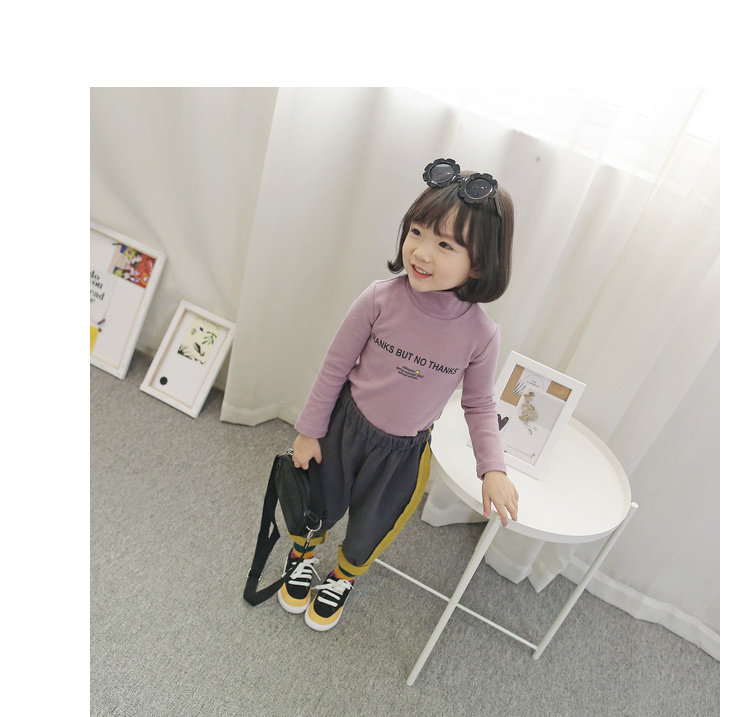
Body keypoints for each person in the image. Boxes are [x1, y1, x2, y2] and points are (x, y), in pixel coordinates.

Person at [278, 158, 519, 631]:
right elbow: (335, 367)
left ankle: (343, 577)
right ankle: (301, 556)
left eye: (445, 244)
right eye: (416, 232)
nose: (421, 253)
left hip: (403, 454)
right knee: (317, 504)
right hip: (344, 430)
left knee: (374, 526)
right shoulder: (379, 298)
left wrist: (493, 468)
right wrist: (309, 431)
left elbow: (478, 405)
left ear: (481, 261)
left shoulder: (481, 335)